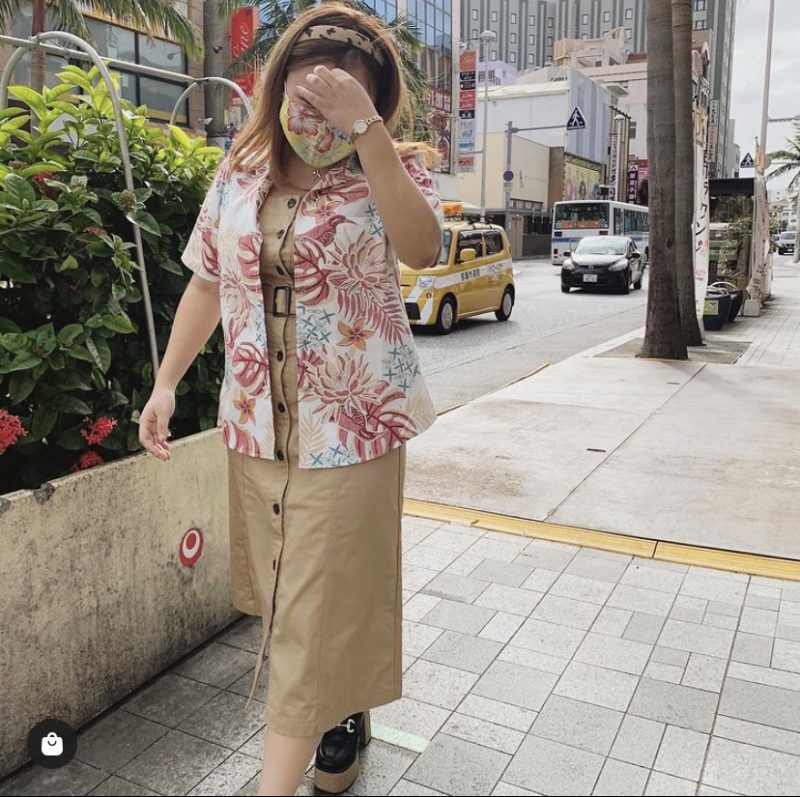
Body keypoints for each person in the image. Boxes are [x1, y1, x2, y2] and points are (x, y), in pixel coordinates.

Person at [138, 3, 443, 796]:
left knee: (311, 612)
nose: (320, 117)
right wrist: (166, 384)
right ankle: (339, 706)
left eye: (343, 99)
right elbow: (207, 282)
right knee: (286, 597)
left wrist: (366, 132)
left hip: (352, 433)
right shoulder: (240, 171)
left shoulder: (391, 167)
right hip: (256, 429)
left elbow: (422, 248)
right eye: (310, 96)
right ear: (280, 88)